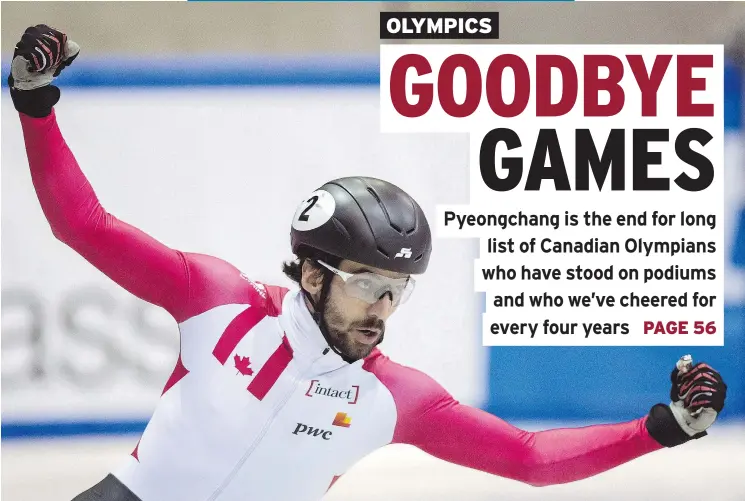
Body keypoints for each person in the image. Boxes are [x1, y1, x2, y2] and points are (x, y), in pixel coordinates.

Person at [8, 25, 728, 501]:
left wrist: (655, 427)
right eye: (369, 285)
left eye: (398, 292)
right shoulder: (217, 298)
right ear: (313, 273)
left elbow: (529, 456)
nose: (383, 309)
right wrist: (36, 105)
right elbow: (83, 224)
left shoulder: (398, 397)